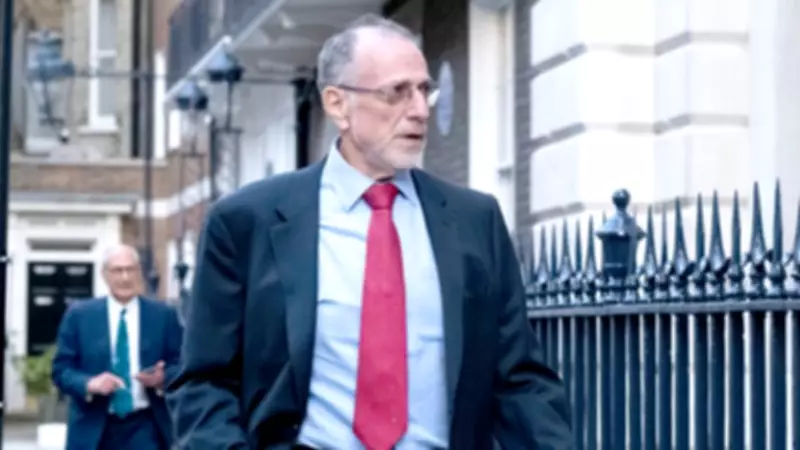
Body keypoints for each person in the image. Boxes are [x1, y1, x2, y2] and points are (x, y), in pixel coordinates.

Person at [167, 13, 572, 450]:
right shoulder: (247, 222)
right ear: (337, 104)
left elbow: (520, 382)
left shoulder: (475, 221)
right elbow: (204, 383)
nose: (419, 110)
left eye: (424, 90)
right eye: (397, 92)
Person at [52, 244, 183, 450]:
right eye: (117, 270)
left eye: (130, 269)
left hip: (146, 427)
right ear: (105, 275)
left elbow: (183, 365)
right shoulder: (79, 316)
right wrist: (89, 383)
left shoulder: (164, 315)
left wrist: (163, 378)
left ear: (139, 272)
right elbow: (61, 370)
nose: (125, 277)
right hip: (94, 430)